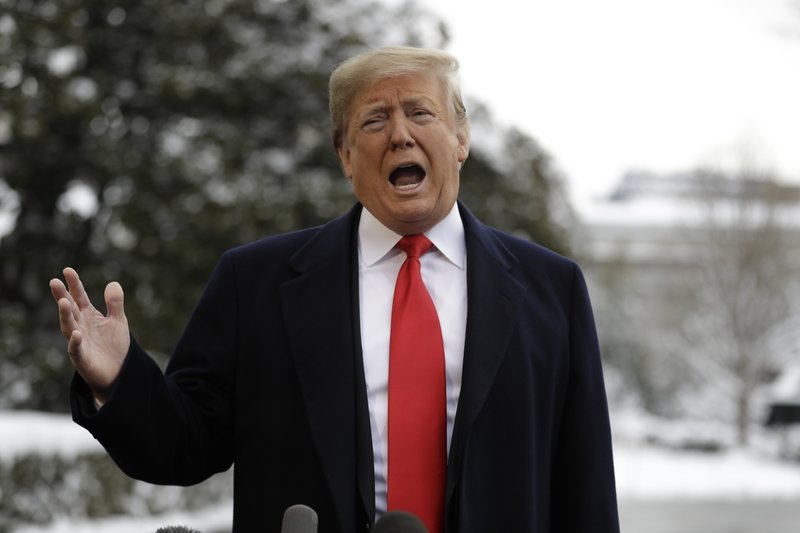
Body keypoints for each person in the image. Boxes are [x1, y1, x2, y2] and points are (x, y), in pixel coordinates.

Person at [50, 46, 619, 533]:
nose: (399, 134)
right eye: (374, 121)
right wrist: (121, 377)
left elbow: (585, 487)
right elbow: (184, 445)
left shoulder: (552, 288)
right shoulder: (256, 282)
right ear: (345, 155)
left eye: (421, 112)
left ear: (460, 137)